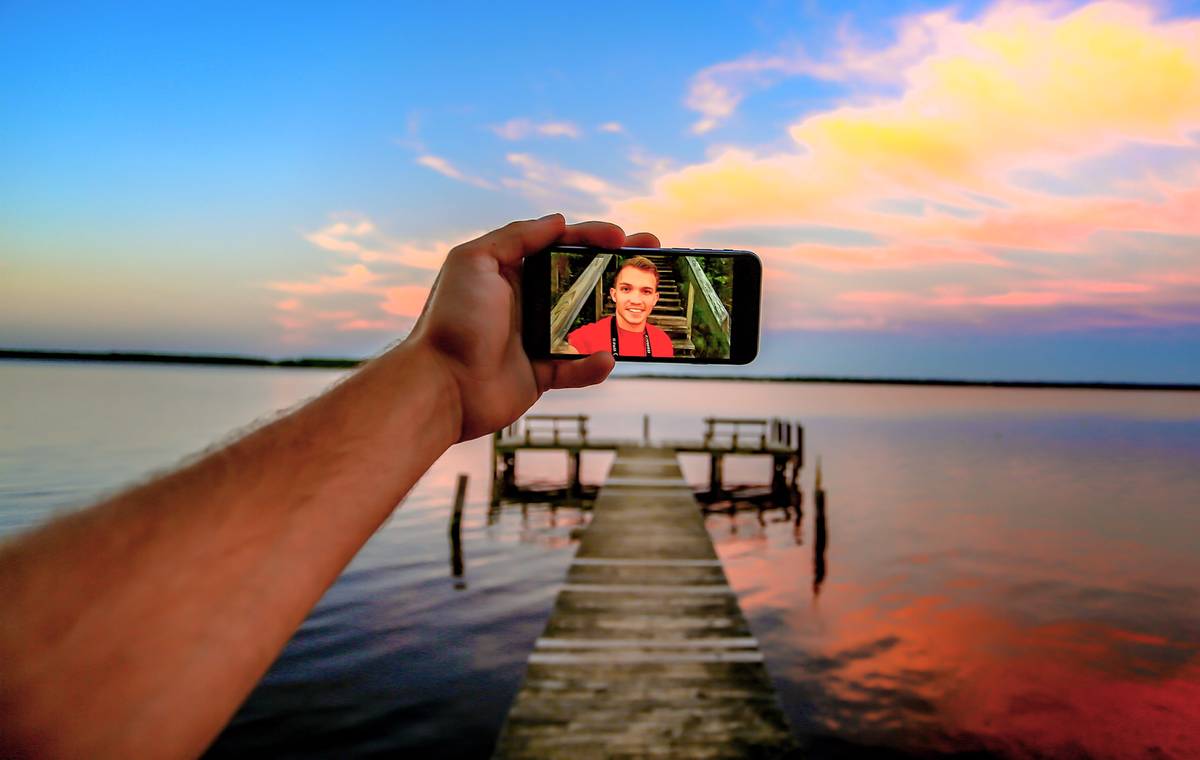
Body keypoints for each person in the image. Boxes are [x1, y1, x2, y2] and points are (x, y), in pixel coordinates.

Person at [0, 214, 661, 759]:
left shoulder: (654, 336)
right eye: (624, 290)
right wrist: (444, 374)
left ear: (654, 301)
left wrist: (444, 380)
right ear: (611, 294)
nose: (635, 300)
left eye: (644, 293)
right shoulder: (582, 329)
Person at [565, 256, 675, 358]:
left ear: (655, 299)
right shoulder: (584, 339)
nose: (635, 300)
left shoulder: (663, 342)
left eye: (646, 291)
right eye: (626, 289)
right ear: (614, 294)